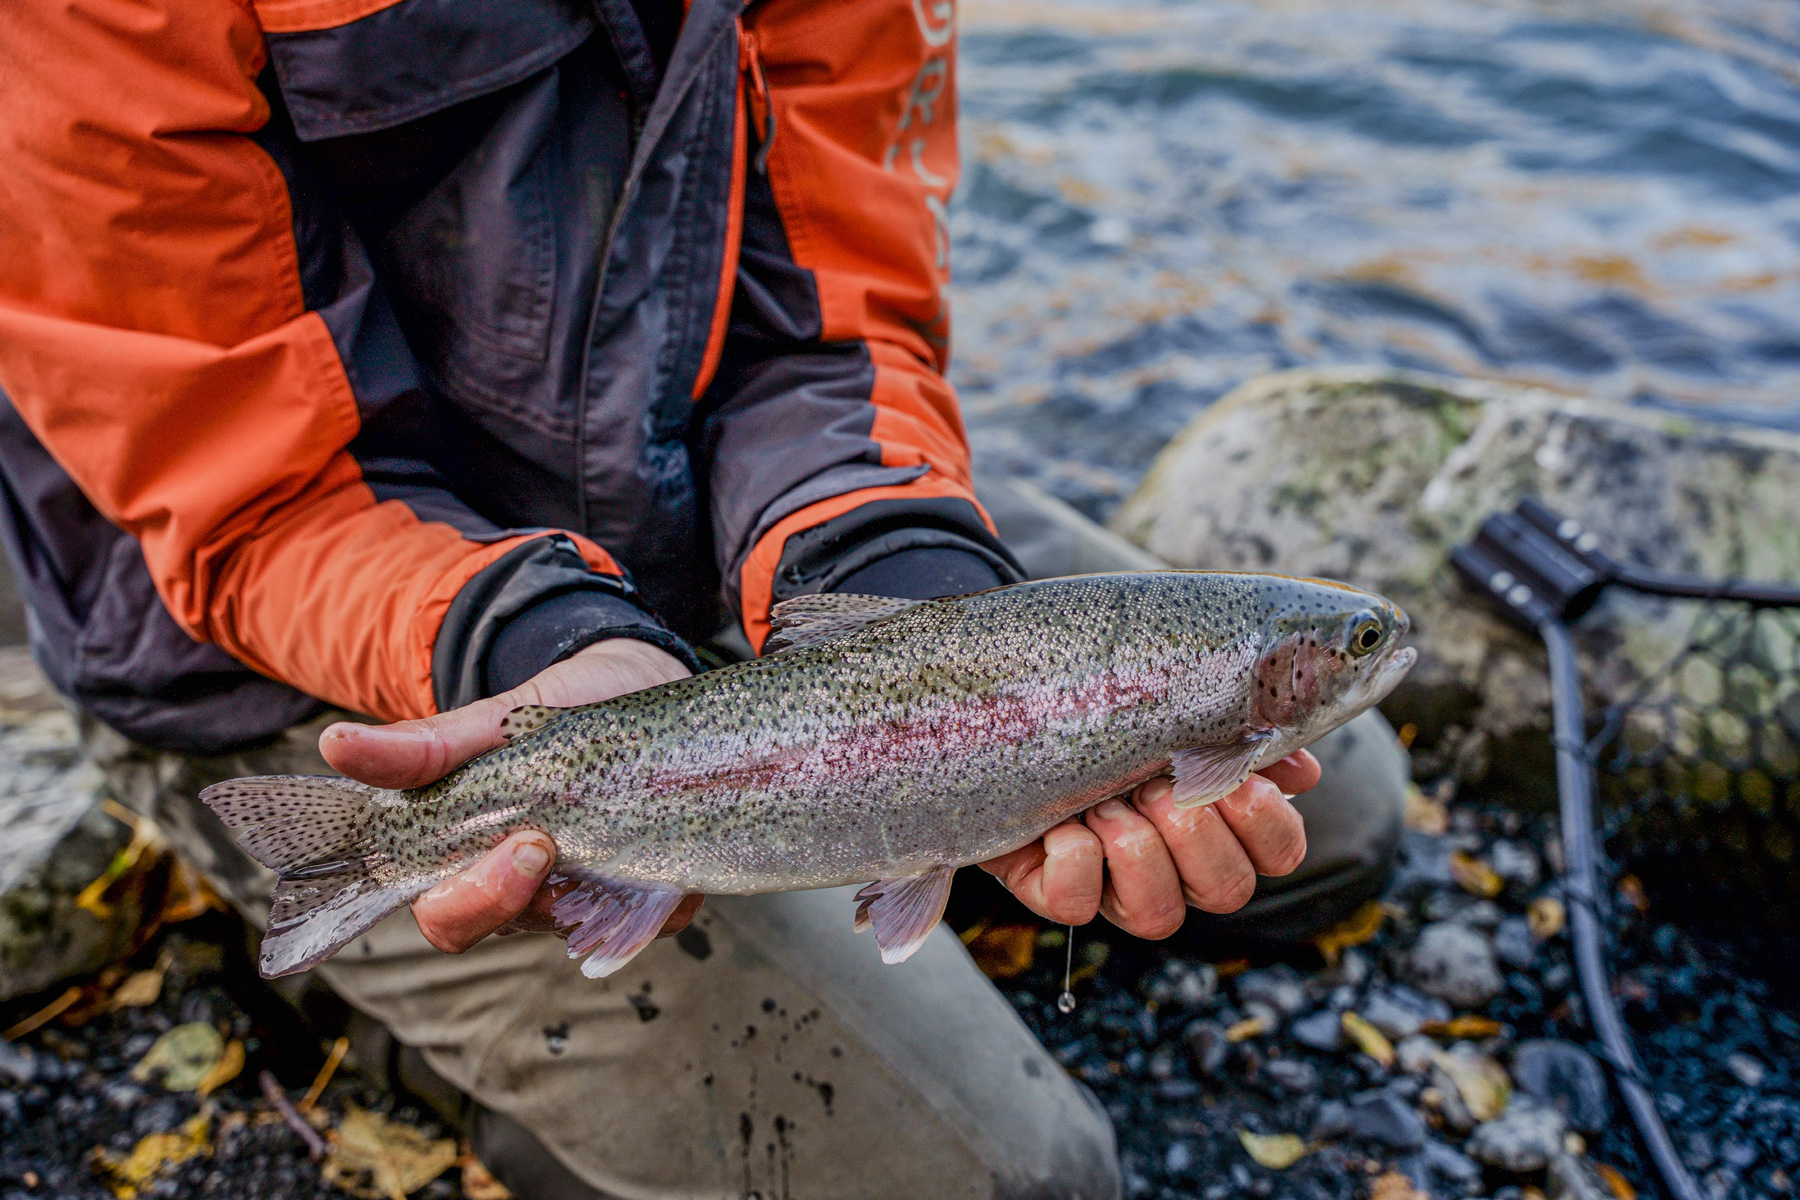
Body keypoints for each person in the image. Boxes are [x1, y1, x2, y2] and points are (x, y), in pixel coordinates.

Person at [0, 0, 1403, 1196]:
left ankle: (867, 852)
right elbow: (254, 484)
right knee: (1022, 1179)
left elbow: (835, 315)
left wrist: (898, 581)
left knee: (1335, 818)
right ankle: (331, 980)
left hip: (695, 507)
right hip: (298, 621)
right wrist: (533, 641)